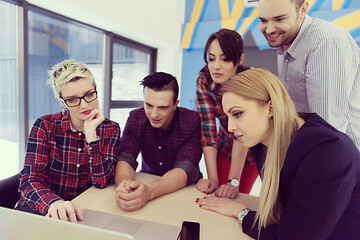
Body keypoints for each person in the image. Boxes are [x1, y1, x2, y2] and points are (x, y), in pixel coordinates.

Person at [196, 68, 360, 239]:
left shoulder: (326, 152)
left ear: (271, 108)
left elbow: (293, 236)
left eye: (237, 114)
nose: (230, 127)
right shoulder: (265, 143)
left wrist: (242, 213)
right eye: (227, 117)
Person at [16, 60, 121, 222]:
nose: (85, 104)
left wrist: (91, 136)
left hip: (82, 212)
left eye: (89, 94)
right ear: (61, 101)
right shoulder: (45, 126)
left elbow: (102, 182)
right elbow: (29, 181)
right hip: (42, 208)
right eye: (72, 99)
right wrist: (54, 202)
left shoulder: (110, 128)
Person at [258, 0, 360, 150]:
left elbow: (328, 129)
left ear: (303, 9)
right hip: (317, 150)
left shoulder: (325, 43)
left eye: (279, 19)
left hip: (344, 159)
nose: (269, 29)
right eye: (263, 20)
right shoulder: (285, 40)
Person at [114, 72, 202, 212]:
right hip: (146, 184)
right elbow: (125, 158)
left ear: (175, 105)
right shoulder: (135, 118)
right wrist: (125, 186)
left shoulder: (191, 121)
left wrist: (148, 192)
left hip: (185, 191)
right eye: (148, 105)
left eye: (163, 107)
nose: (154, 114)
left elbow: (185, 168)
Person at [195, 28, 258, 198]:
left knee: (236, 196)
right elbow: (207, 130)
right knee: (216, 193)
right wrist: (212, 178)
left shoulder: (249, 83)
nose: (216, 66)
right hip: (224, 145)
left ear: (239, 60)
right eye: (211, 59)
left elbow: (242, 133)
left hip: (253, 149)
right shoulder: (204, 81)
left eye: (225, 59)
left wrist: (233, 181)